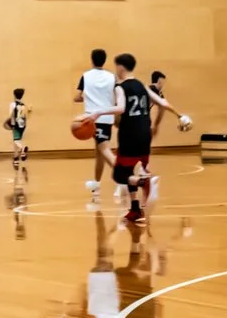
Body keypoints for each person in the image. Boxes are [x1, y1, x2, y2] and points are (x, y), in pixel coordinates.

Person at [110, 54, 183, 224]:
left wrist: (102, 114)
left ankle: (143, 181)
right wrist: (180, 116)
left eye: (116, 67)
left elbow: (120, 111)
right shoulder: (143, 86)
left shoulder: (120, 88)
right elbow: (163, 103)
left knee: (119, 175)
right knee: (129, 171)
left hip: (129, 135)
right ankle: (135, 209)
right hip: (145, 135)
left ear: (121, 67)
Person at [75, 48, 119, 195]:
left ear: (92, 59)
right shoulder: (112, 77)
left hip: (92, 119)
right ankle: (97, 184)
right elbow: (117, 95)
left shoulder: (86, 76)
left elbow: (77, 96)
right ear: (104, 60)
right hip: (107, 117)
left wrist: (86, 98)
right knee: (99, 152)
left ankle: (124, 179)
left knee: (104, 150)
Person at [6, 86, 31, 166]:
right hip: (22, 124)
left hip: (15, 124)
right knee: (17, 140)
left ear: (14, 95)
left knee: (16, 141)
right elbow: (26, 115)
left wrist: (10, 124)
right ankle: (16, 157)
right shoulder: (23, 105)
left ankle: (23, 149)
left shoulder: (12, 104)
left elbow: (10, 115)